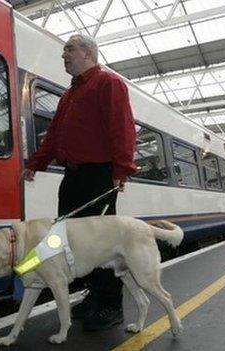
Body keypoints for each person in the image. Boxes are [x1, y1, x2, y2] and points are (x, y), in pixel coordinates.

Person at [20, 34, 137, 331]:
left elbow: (121, 128)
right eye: (63, 51)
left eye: (69, 50)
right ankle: (93, 296)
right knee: (73, 243)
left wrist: (121, 169)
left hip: (98, 176)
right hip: (71, 177)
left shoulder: (108, 83)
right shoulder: (68, 96)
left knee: (101, 243)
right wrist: (35, 164)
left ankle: (111, 305)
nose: (64, 55)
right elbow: (54, 137)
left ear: (88, 53)